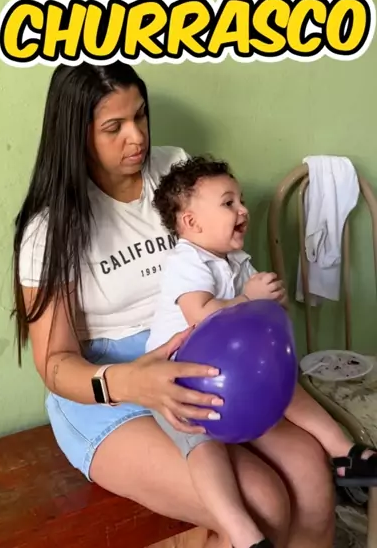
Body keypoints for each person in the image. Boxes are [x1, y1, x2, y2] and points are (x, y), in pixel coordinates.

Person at [12, 61, 336, 548]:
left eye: (140, 115)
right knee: (262, 502)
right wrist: (131, 382)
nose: (137, 137)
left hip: (202, 355)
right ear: (75, 135)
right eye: (114, 127)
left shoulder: (173, 172)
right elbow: (55, 364)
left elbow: (224, 261)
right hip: (110, 386)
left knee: (310, 471)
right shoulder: (50, 229)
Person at [146, 154, 377, 548]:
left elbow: (257, 324)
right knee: (202, 446)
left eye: (240, 200)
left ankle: (343, 453)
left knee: (290, 390)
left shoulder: (237, 260)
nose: (243, 209)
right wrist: (248, 299)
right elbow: (199, 314)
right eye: (228, 203)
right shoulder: (186, 260)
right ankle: (241, 532)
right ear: (191, 223)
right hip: (178, 380)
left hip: (231, 378)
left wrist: (271, 305)